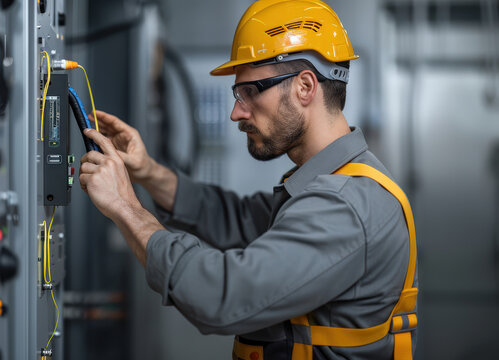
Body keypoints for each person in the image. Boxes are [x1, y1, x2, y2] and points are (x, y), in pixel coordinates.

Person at [78, 0, 418, 359]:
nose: (236, 112)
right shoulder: (326, 185)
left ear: (305, 87)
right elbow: (236, 219)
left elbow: (224, 298)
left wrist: (125, 207)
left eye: (250, 92)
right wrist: (147, 171)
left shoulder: (346, 205)